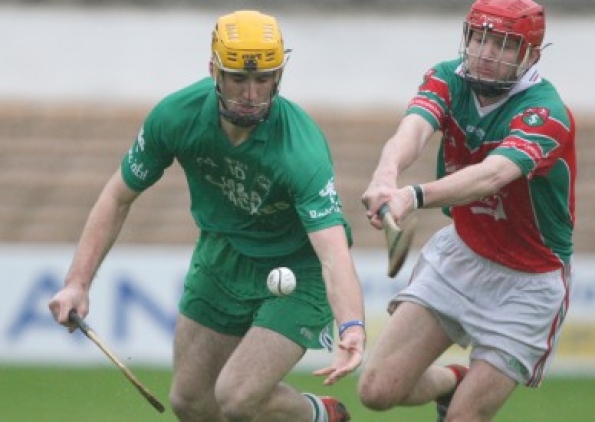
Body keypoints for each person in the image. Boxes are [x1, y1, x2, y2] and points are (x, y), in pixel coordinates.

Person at [48, 10, 365, 422]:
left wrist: (352, 325)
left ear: (278, 76)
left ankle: (320, 415)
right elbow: (116, 197)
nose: (251, 94)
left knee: (235, 397)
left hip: (297, 269)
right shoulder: (177, 116)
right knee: (191, 401)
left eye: (264, 79)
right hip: (222, 256)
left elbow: (333, 252)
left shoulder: (300, 150)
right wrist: (77, 283)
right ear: (214, 70)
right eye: (238, 78)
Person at [358, 0, 576, 421]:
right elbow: (414, 129)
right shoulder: (447, 77)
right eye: (479, 38)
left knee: (463, 418)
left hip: (528, 282)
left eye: (504, 44)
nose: (486, 53)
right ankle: (452, 381)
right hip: (461, 256)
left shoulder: (546, 113)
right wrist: (385, 177)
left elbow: (491, 176)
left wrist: (414, 195)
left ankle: (460, 401)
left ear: (531, 55)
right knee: (376, 390)